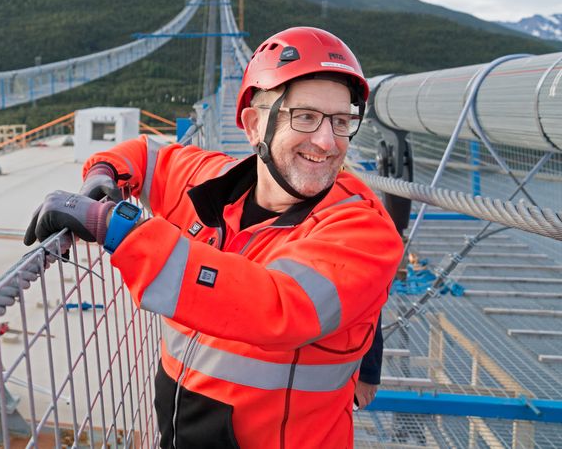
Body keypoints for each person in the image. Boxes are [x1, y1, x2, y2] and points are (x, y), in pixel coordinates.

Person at [24, 26, 402, 448]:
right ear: (254, 125)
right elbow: (147, 156)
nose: (327, 141)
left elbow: (277, 305)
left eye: (341, 121)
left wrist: (116, 228)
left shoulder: (364, 230)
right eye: (306, 117)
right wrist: (104, 175)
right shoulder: (217, 182)